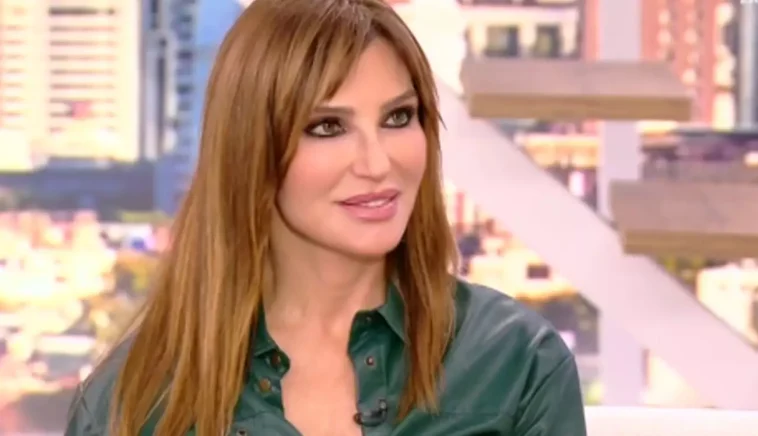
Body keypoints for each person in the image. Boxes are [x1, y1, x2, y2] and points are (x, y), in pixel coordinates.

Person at [65, 0, 587, 434]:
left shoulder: (517, 364)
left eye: (398, 117)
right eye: (328, 127)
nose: (377, 163)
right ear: (251, 149)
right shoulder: (129, 403)